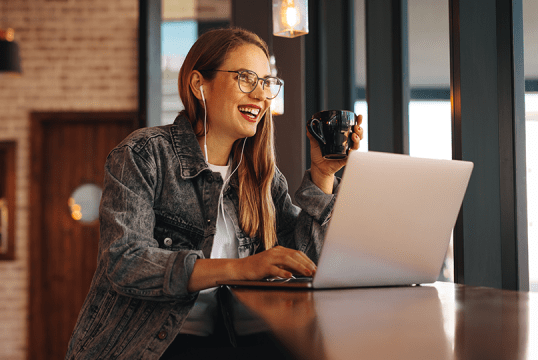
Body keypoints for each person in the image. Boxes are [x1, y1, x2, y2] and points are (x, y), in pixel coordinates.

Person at [64, 27, 363, 360]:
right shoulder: (144, 154)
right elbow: (125, 262)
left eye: (266, 83)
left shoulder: (261, 175)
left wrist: (322, 175)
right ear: (198, 84)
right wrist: (242, 267)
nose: (261, 95)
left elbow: (307, 259)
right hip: (149, 346)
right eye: (246, 78)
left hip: (231, 338)